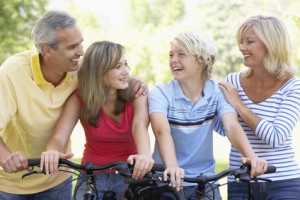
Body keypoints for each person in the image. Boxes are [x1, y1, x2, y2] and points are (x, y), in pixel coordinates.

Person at [0, 11, 147, 199]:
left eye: (80, 43)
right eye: (72, 47)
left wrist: (134, 80)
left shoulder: (79, 70)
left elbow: (106, 72)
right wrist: (5, 157)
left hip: (56, 178)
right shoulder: (12, 73)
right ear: (47, 50)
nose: (81, 52)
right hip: (12, 183)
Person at [148, 31, 268, 200]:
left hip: (205, 182)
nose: (173, 60)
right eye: (171, 55)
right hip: (166, 179)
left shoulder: (217, 92)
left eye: (181, 54)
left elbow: (232, 126)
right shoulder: (161, 93)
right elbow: (161, 132)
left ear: (203, 61)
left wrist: (252, 157)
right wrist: (172, 166)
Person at [40, 41, 154, 199]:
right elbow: (59, 136)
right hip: (91, 177)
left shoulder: (136, 92)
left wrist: (145, 155)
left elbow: (139, 125)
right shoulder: (79, 99)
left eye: (125, 64)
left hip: (130, 175)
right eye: (117, 66)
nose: (126, 71)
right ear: (99, 71)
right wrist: (53, 151)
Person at [219, 15, 300, 199]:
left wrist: (239, 105)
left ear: (270, 44)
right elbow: (223, 128)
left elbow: (275, 136)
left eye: (249, 41)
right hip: (240, 182)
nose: (241, 47)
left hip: (283, 183)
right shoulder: (233, 82)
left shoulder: (293, 86)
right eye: (241, 42)